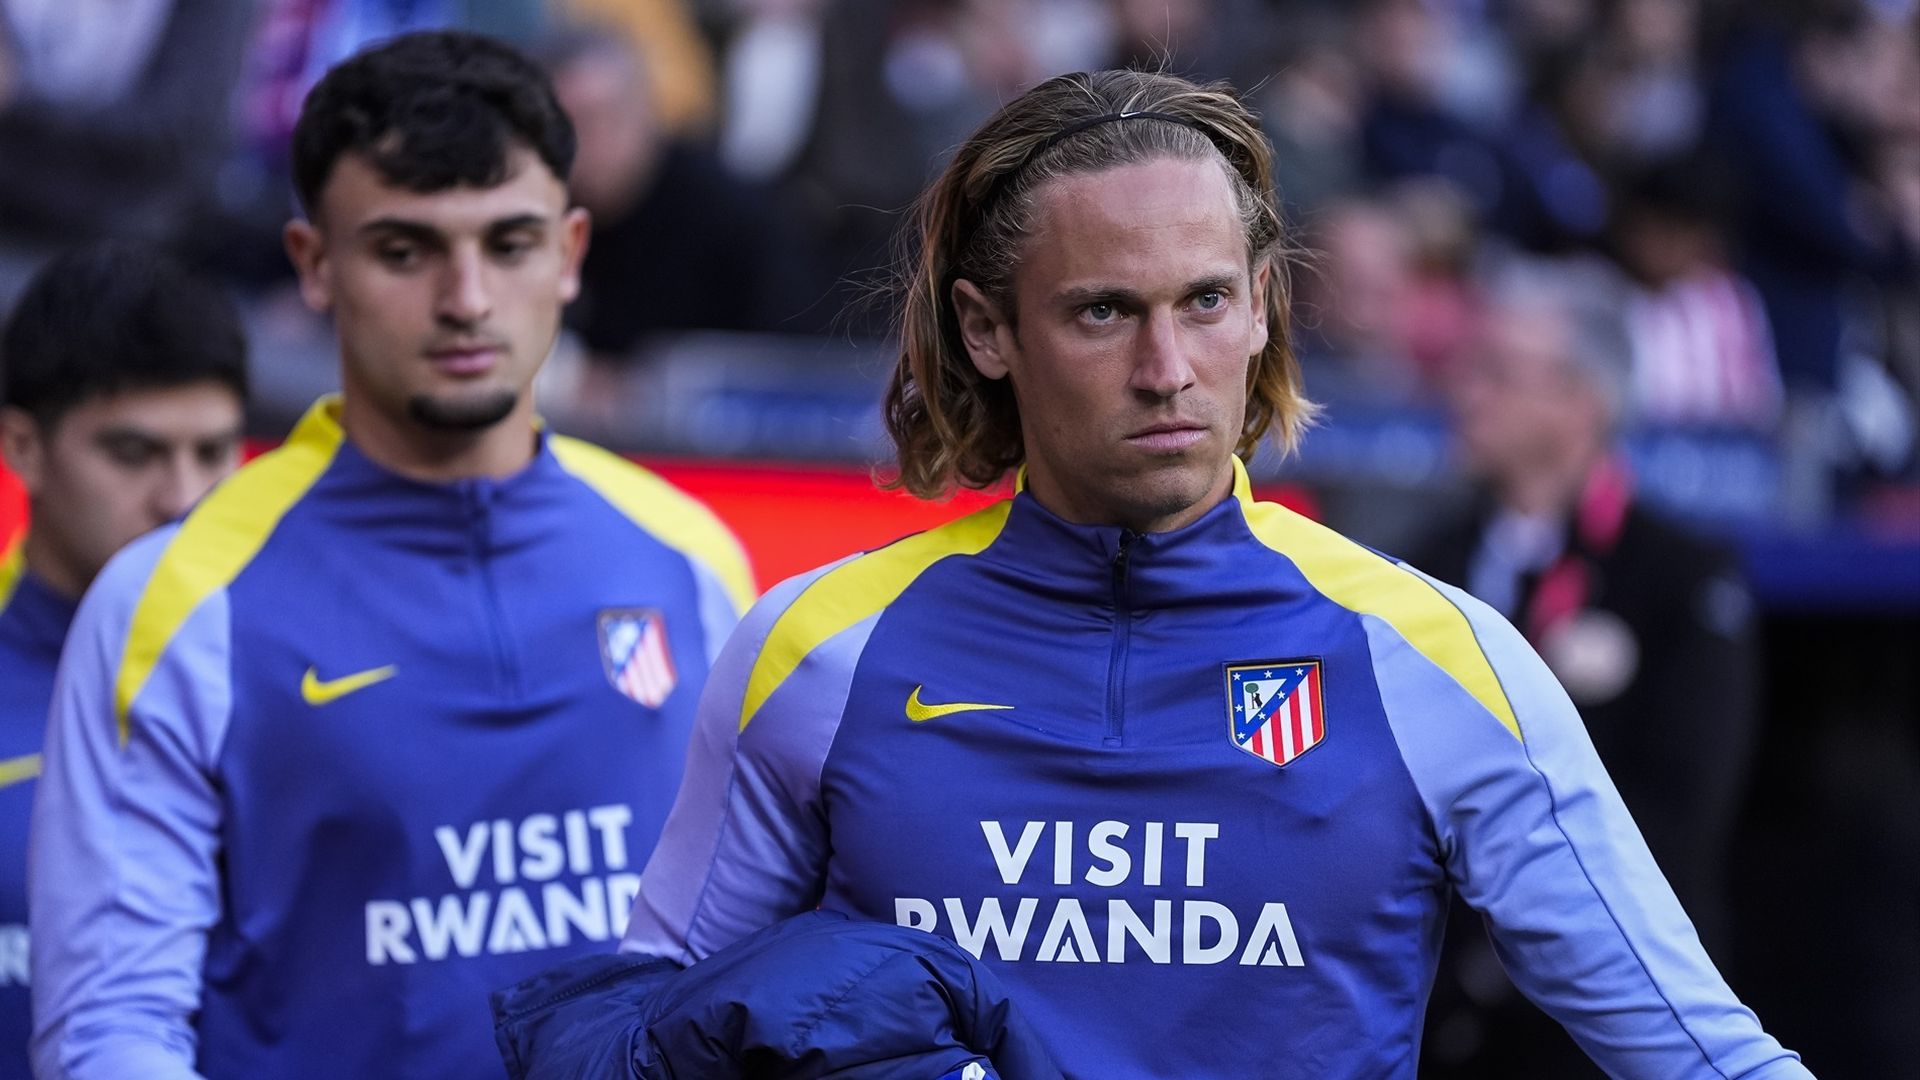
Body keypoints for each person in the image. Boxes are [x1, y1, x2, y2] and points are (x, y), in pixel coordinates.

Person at [618, 69, 1810, 1076]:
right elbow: (634, 1041)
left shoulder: (1434, 657)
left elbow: (1705, 1058)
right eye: (1102, 313)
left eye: (1205, 303)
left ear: (1261, 309)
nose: (1167, 368)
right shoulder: (818, 651)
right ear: (988, 331)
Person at [29, 31, 752, 1080]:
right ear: (314, 265)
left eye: (507, 243)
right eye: (405, 250)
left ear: (572, 251)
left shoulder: (690, 558)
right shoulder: (177, 600)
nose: (464, 299)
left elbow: (742, 962)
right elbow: (109, 1029)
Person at [1412, 271, 1763, 1077]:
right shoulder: (1424, 563)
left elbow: (1682, 811)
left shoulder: (1678, 575)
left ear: (1583, 403)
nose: (1465, 392)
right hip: (1442, 1022)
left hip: (1600, 1022)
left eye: (1497, 371)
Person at [0, 242, 249, 1080]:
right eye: (134, 453)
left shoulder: (313, 675)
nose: (182, 499)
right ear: (23, 447)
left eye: (213, 453)